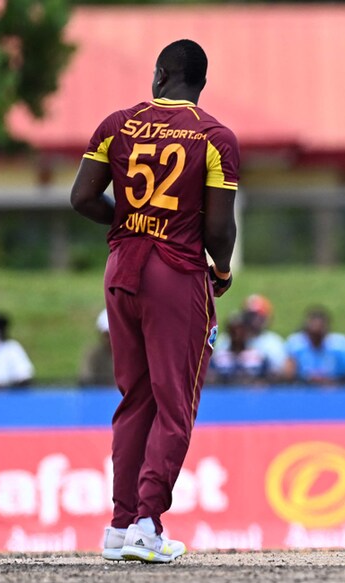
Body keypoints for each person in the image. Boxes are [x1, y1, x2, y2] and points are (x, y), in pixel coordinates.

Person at [69, 39, 238, 563]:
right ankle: (147, 525)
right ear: (199, 82)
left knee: (134, 398)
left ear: (162, 74)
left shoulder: (117, 123)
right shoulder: (214, 138)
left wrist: (124, 222)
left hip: (122, 268)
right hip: (176, 273)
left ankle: (120, 527)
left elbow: (80, 198)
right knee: (175, 403)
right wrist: (223, 269)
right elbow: (217, 226)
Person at [282, 306, 345, 384]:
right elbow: (288, 375)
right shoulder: (295, 345)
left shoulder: (340, 346)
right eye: (313, 334)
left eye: (319, 333)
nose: (316, 336)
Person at [208, 312, 272, 385]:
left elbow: (268, 381)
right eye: (234, 331)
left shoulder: (258, 357)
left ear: (247, 332)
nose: (237, 335)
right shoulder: (218, 358)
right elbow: (211, 381)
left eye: (241, 331)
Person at [78, 309, 116, 387]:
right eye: (107, 335)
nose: (110, 339)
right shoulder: (93, 354)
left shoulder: (130, 354)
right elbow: (85, 378)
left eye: (113, 334)